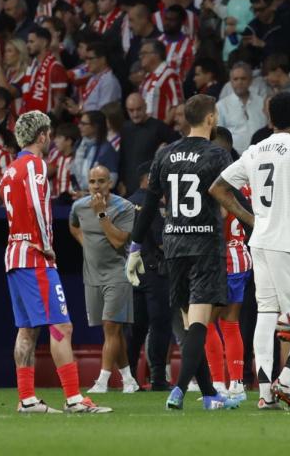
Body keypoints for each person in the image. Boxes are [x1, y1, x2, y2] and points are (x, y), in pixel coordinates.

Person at [211, 92, 290, 411]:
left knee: (266, 313)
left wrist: (252, 220)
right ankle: (287, 379)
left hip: (260, 243)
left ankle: (264, 395)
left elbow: (218, 188)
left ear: (269, 119)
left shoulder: (254, 150)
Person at [126, 95, 241, 410]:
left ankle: (209, 396)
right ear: (209, 119)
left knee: (192, 327)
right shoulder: (218, 154)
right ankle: (177, 390)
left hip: (173, 247)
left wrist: (135, 246)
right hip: (205, 246)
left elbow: (150, 204)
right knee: (200, 325)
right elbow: (232, 199)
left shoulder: (164, 155)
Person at [1, 111, 111, 413]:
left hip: (14, 254)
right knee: (61, 325)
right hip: (34, 254)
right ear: (42, 136)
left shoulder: (11, 169)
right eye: (48, 133)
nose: (50, 138)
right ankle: (75, 399)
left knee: (26, 330)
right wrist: (47, 245)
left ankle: (27, 399)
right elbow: (37, 203)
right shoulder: (34, 164)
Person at [69, 165, 139, 395]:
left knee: (111, 326)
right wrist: (85, 244)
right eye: (92, 181)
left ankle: (103, 381)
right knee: (113, 331)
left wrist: (101, 214)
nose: (96, 186)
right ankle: (129, 379)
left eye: (101, 181)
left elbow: (119, 241)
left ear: (110, 183)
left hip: (118, 274)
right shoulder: (79, 206)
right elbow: (74, 226)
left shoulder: (125, 207)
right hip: (91, 276)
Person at [203, 128, 251, 401]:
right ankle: (237, 384)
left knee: (207, 323)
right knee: (231, 323)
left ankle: (219, 383)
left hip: (221, 258)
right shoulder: (243, 178)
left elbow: (220, 214)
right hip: (240, 254)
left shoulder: (217, 181)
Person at [126, 161, 173, 391]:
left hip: (133, 270)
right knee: (159, 325)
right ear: (149, 178)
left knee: (135, 328)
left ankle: (130, 378)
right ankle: (157, 377)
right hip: (155, 270)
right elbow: (161, 239)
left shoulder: (127, 202)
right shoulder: (153, 203)